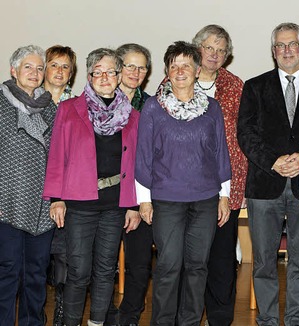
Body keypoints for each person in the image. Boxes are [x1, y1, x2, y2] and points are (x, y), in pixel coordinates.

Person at [237, 22, 299, 326]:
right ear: (273, 51)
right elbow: (246, 132)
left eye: (292, 44)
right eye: (280, 45)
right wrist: (274, 161)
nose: (287, 50)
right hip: (265, 186)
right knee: (264, 262)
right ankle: (267, 320)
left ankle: (296, 320)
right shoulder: (254, 87)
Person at [135, 41, 231, 325]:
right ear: (166, 71)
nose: (180, 71)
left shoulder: (211, 108)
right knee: (168, 265)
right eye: (174, 66)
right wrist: (144, 199)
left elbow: (220, 153)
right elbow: (143, 156)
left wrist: (224, 195)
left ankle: (189, 321)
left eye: (186, 65)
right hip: (166, 200)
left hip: (205, 199)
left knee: (198, 266)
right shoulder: (153, 107)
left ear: (197, 70)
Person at [43, 47, 141, 326]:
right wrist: (56, 198)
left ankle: (97, 322)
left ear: (119, 75)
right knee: (78, 271)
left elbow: (135, 163)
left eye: (111, 71)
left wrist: (133, 205)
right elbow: (57, 154)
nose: (104, 76)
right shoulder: (69, 108)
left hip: (115, 205)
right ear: (88, 76)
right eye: (97, 71)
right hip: (78, 203)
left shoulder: (132, 116)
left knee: (106, 270)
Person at [192, 24, 247, 326]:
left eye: (221, 50)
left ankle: (220, 319)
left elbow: (245, 135)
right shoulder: (176, 79)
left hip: (227, 187)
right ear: (197, 47)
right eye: (209, 47)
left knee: (222, 261)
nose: (214, 54)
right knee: (191, 260)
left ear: (227, 56)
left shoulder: (236, 86)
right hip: (184, 188)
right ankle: (186, 316)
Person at [0, 45, 57, 326]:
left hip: (43, 207)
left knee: (36, 273)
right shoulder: (0, 103)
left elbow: (60, 157)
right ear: (14, 71)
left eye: (39, 68)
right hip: (5, 203)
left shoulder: (50, 108)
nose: (35, 73)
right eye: (28, 67)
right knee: (7, 270)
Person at [105, 43, 152, 326]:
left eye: (142, 67)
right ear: (118, 68)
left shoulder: (152, 105)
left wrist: (139, 201)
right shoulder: (100, 103)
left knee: (139, 261)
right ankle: (106, 312)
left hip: (141, 194)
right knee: (104, 262)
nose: (136, 72)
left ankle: (130, 314)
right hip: (106, 195)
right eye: (130, 66)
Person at [42, 44, 77, 326]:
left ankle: (62, 316)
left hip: (67, 196)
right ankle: (36, 313)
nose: (60, 71)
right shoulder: (29, 103)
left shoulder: (77, 107)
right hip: (33, 195)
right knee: (36, 263)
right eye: (54, 64)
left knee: (65, 258)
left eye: (66, 66)